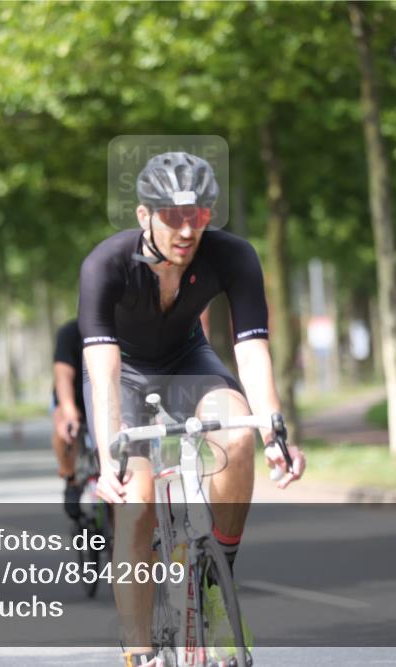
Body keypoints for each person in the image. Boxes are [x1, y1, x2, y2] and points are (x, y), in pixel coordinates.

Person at [79, 151, 305, 666]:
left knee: (240, 433)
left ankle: (215, 573)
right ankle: (139, 653)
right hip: (128, 376)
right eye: (173, 216)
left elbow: (251, 350)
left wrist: (275, 430)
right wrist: (107, 452)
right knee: (134, 506)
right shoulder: (105, 265)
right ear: (144, 216)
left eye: (198, 215)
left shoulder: (233, 255)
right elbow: (104, 372)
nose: (187, 229)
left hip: (188, 360)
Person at [50, 319, 86, 519]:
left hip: (107, 395)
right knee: (65, 428)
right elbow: (63, 375)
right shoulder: (70, 333)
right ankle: (70, 478)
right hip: (73, 395)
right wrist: (70, 412)